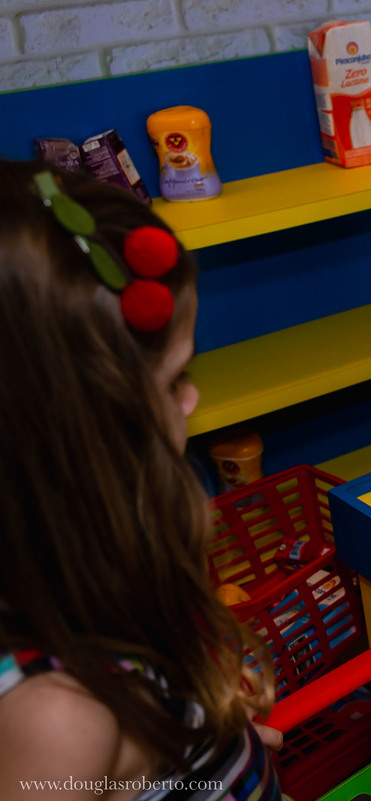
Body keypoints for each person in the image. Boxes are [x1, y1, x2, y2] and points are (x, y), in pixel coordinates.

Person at [0, 160, 283, 799]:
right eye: (171, 381)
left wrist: (211, 750)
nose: (191, 399)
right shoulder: (57, 724)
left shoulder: (79, 576)